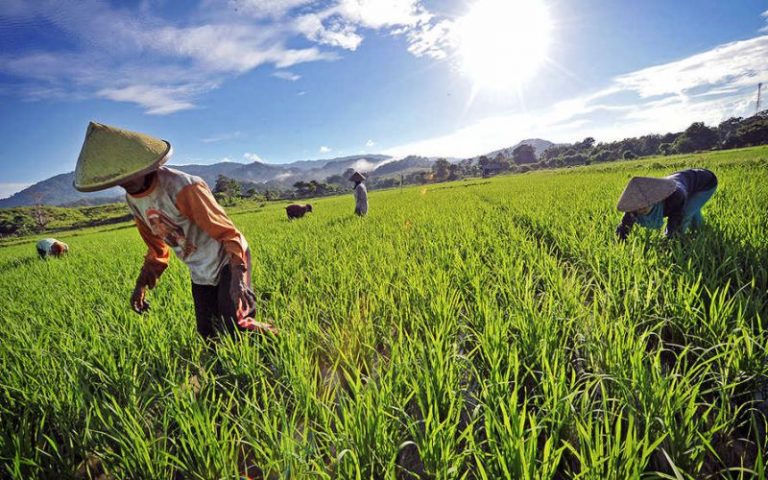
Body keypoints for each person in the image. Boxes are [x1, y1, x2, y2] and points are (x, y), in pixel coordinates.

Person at [73, 122, 276, 339]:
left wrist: (237, 277)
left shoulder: (183, 187)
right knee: (208, 334)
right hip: (199, 268)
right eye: (116, 180)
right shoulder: (134, 201)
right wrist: (141, 285)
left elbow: (228, 233)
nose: (123, 184)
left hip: (227, 258)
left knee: (237, 323)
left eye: (125, 176)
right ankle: (226, 371)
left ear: (141, 166)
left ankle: (280, 346)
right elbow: (157, 250)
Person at [615, 168, 718, 241]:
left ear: (655, 199)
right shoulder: (633, 205)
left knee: (686, 213)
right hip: (685, 181)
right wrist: (621, 242)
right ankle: (702, 231)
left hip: (705, 182)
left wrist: (669, 240)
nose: (641, 208)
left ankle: (688, 239)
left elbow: (676, 220)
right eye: (638, 207)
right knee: (692, 208)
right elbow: (625, 225)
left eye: (645, 204)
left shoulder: (674, 197)